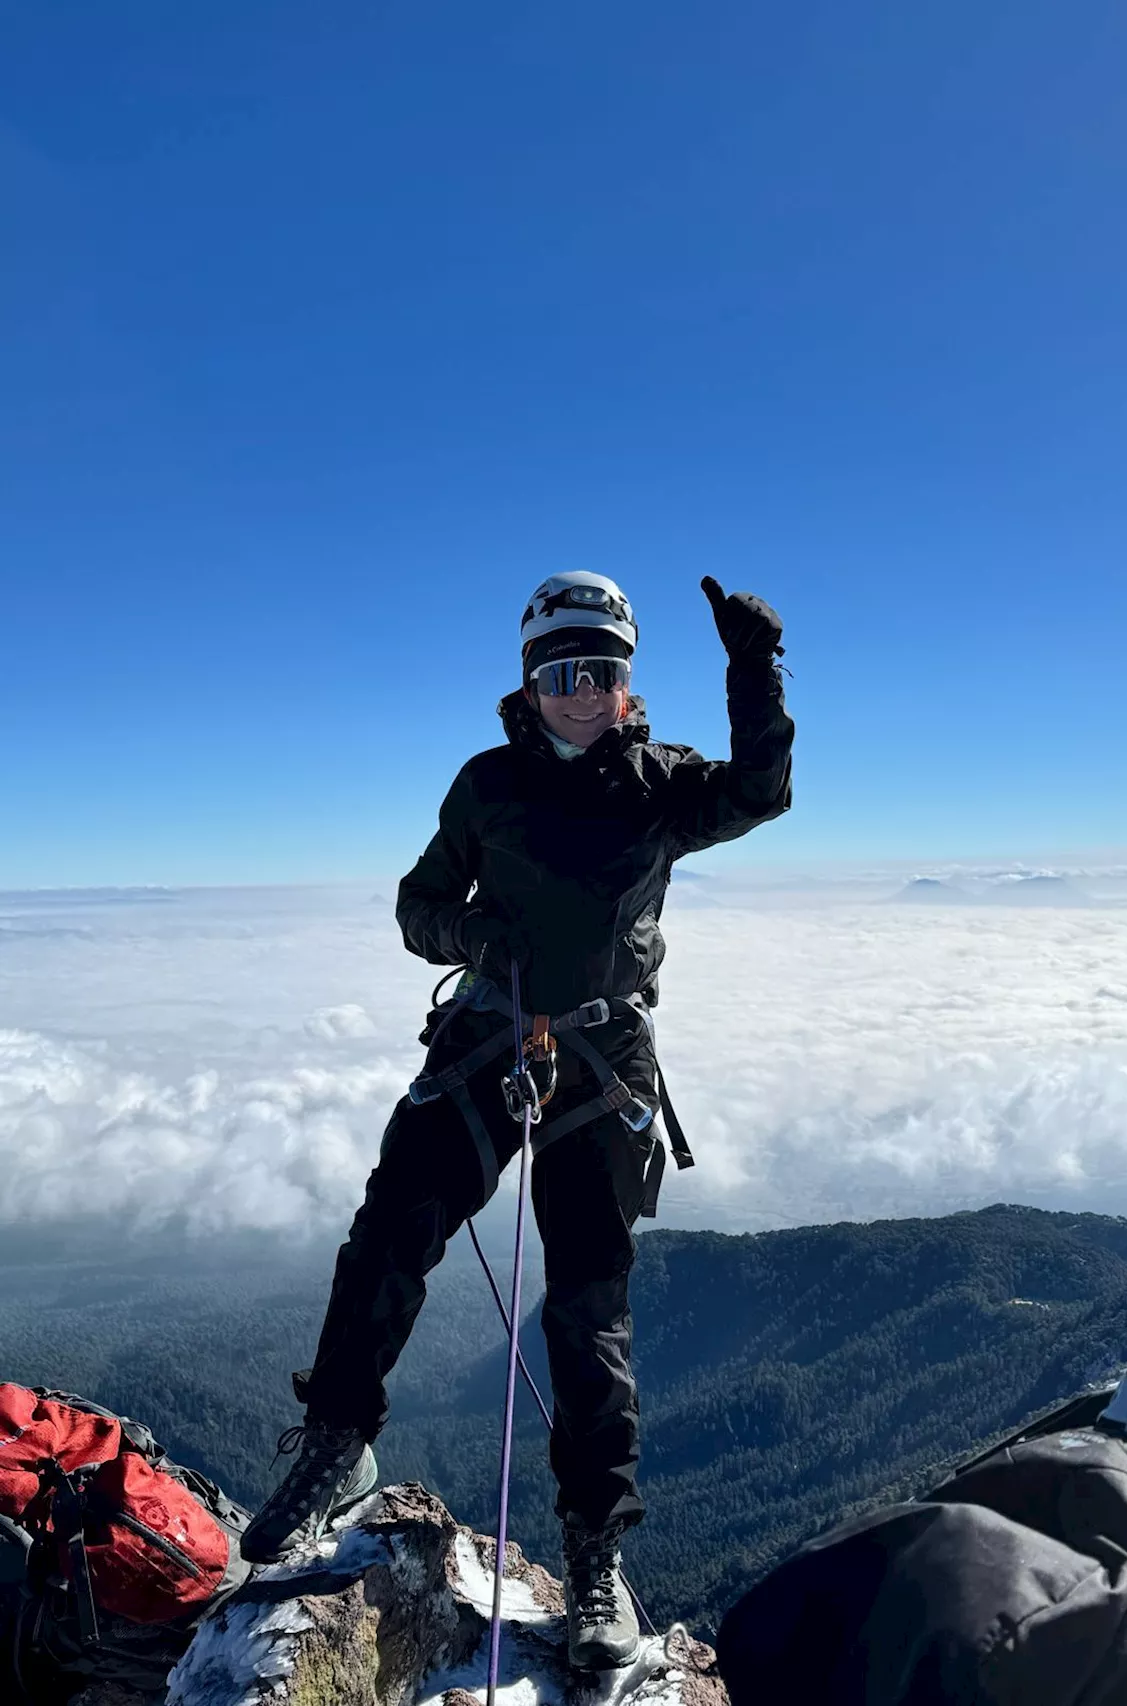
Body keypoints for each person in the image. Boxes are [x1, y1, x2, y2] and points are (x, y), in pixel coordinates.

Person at [241, 570, 793, 1669]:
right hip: (490, 1040)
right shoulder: (485, 786)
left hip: (598, 1062)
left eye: (606, 670)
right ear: (529, 684)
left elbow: (761, 792)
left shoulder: (662, 782)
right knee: (391, 1227)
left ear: (629, 682)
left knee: (587, 1311)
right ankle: (331, 1440)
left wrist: (752, 671)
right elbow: (416, 905)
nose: (586, 692)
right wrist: (473, 939)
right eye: (563, 672)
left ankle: (595, 1559)